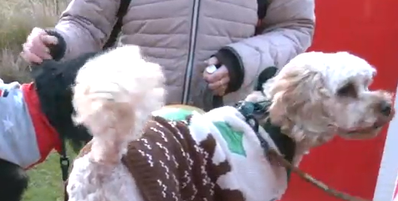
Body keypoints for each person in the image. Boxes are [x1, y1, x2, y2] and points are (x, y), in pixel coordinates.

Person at [21, 0, 315, 110]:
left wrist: (241, 62)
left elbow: (294, 28)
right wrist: (58, 42)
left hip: (220, 129)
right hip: (133, 122)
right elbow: (86, 23)